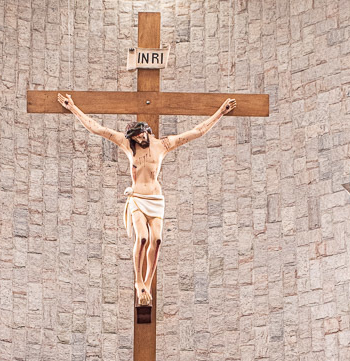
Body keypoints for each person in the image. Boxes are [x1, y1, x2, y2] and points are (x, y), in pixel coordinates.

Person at [57, 93, 236, 307]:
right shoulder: (126, 144)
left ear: (146, 130)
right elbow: (98, 129)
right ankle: (138, 281)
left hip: (155, 199)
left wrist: (220, 113)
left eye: (142, 134)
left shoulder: (162, 145)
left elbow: (196, 132)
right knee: (142, 238)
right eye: (137, 138)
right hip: (137, 198)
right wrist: (73, 108)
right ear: (132, 138)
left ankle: (148, 283)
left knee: (157, 240)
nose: (142, 139)